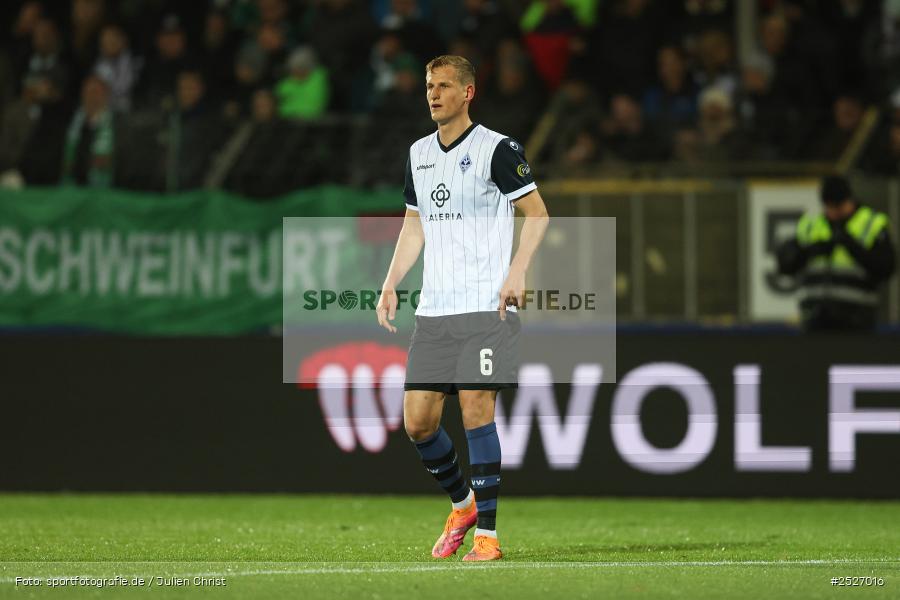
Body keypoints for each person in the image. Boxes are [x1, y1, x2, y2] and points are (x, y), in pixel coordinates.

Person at [375, 55, 549, 561]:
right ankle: (463, 504)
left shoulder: (497, 149)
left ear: (467, 93)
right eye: (429, 85)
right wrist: (391, 282)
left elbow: (536, 214)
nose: (433, 93)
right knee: (418, 424)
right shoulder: (418, 154)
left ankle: (489, 537)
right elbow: (414, 224)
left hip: (485, 308)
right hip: (435, 311)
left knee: (476, 408)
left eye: (444, 85)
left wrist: (517, 272)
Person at [776, 176, 896, 331]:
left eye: (839, 206)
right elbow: (786, 265)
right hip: (815, 320)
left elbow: (886, 268)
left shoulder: (872, 223)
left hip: (857, 321)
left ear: (849, 199)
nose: (834, 212)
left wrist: (850, 244)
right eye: (829, 206)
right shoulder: (811, 224)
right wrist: (813, 250)